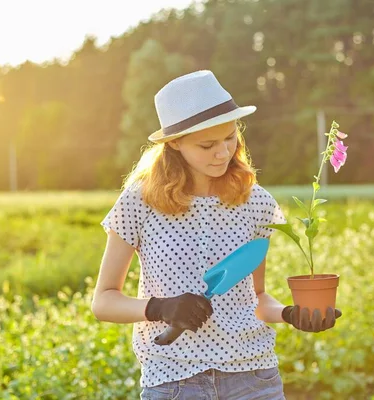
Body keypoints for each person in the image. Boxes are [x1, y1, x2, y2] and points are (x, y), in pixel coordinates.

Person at [92, 70, 342, 400]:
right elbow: (103, 302)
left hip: (254, 379)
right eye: (207, 145)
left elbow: (257, 299)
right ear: (175, 143)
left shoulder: (256, 201)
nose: (223, 153)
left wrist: (290, 314)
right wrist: (159, 308)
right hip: (173, 381)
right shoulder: (139, 202)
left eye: (229, 138)